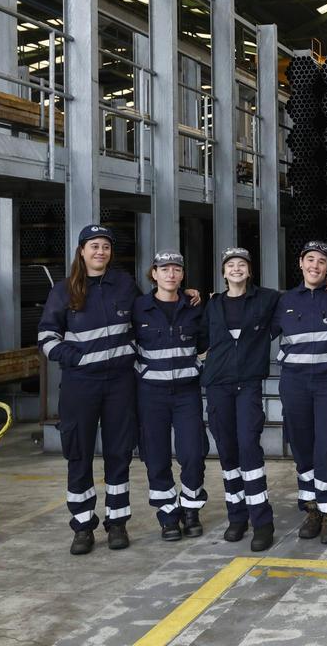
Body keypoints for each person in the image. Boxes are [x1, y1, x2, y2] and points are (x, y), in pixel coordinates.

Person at [38, 225, 141, 555]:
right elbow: (47, 339)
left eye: (106, 247)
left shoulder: (124, 285)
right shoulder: (64, 291)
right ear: (82, 251)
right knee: (79, 452)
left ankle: (117, 521)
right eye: (94, 246)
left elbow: (146, 319)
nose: (101, 252)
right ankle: (82, 526)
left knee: (119, 451)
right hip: (80, 384)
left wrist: (188, 295)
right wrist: (76, 359)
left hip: (120, 383)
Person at [271, 240, 327, 545]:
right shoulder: (284, 301)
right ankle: (312, 508)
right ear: (300, 263)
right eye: (310, 260)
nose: (315, 266)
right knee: (302, 446)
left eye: (322, 261)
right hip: (294, 383)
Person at [202, 247, 282, 552]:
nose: (236, 269)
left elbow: (297, 298)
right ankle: (237, 516)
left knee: (249, 447)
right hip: (218, 385)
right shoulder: (212, 305)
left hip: (248, 384)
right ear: (223, 273)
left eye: (242, 265)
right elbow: (198, 334)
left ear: (249, 271)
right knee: (227, 451)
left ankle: (262, 521)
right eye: (231, 265)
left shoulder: (266, 298)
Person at [132, 251, 209, 542]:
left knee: (192, 453)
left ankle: (191, 508)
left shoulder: (193, 306)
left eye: (176, 269)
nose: (171, 274)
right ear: (154, 274)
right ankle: (168, 515)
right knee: (156, 457)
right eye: (164, 269)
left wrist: (197, 366)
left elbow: (205, 343)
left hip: (187, 392)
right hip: (151, 394)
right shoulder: (138, 308)